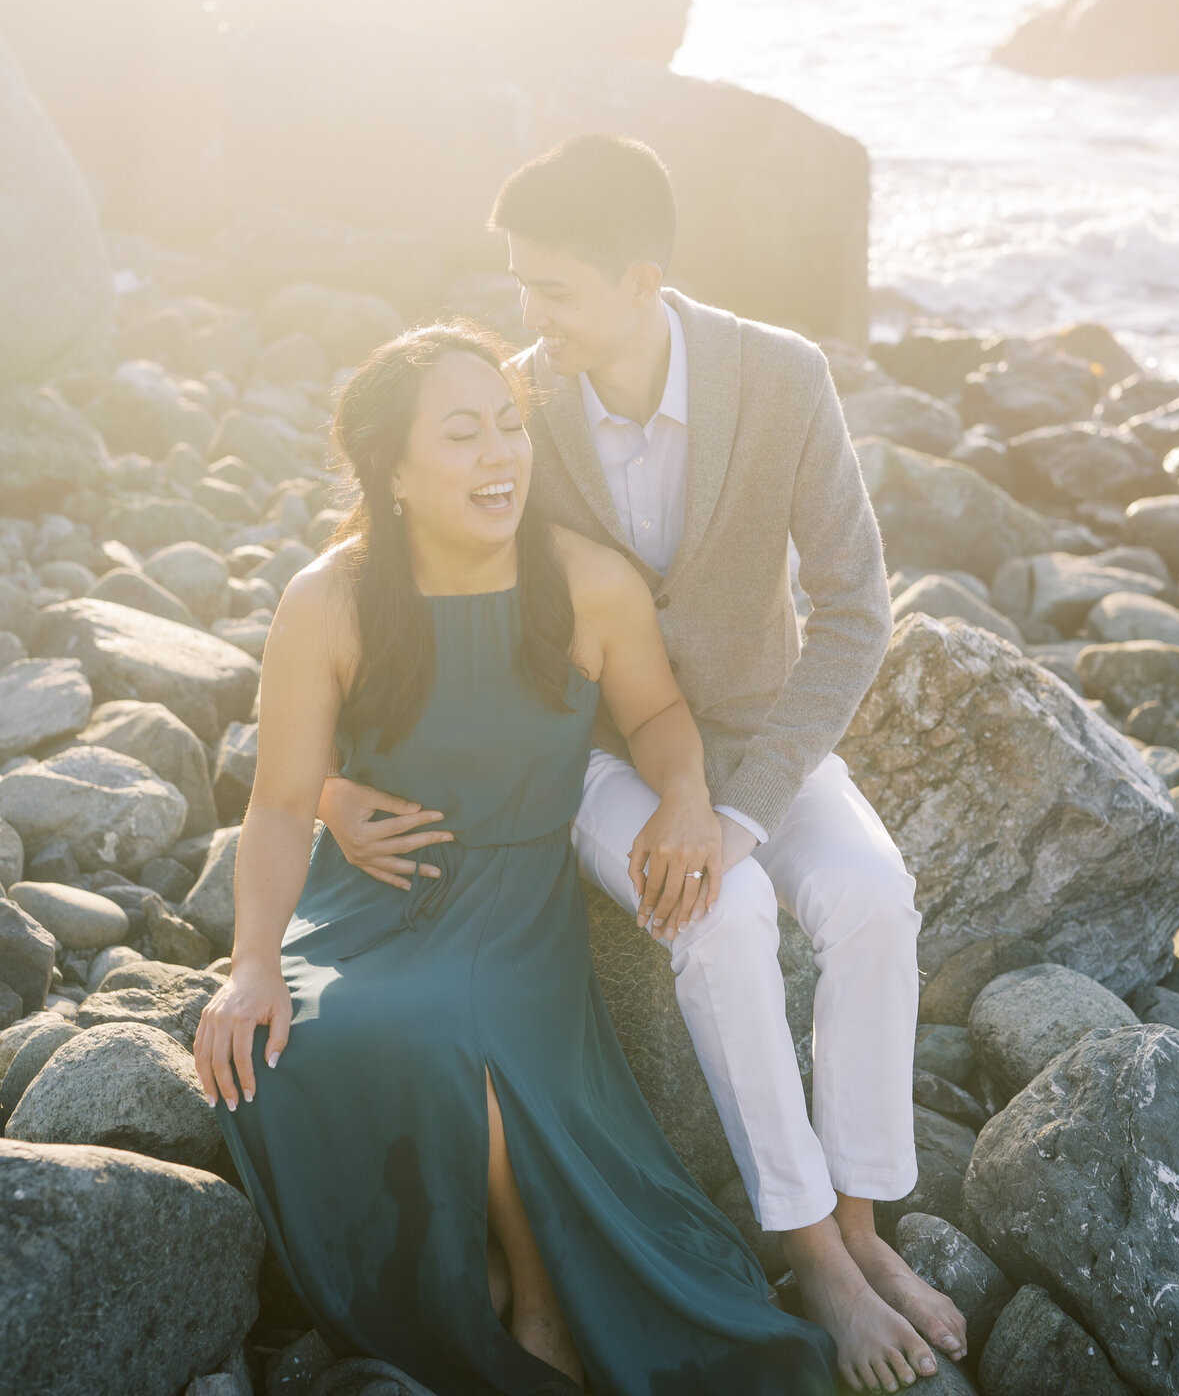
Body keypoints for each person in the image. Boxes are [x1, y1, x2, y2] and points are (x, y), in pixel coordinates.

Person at [318, 135, 969, 1395]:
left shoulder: (781, 377)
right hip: (598, 754)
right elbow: (394, 565)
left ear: (640, 280)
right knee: (718, 916)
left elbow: (855, 609)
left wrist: (742, 803)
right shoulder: (520, 406)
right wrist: (338, 769)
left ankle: (865, 1224)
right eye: (519, 284)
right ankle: (811, 1256)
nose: (528, 316)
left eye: (551, 287)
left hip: (766, 742)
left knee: (877, 902)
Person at [194, 319, 840, 1396]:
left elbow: (660, 716)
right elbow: (278, 805)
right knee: (307, 1042)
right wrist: (253, 958)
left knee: (457, 1035)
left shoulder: (587, 581)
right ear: (394, 472)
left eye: (509, 426)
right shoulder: (331, 598)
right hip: (370, 906)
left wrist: (684, 796)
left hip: (514, 907)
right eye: (462, 435)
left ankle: (536, 1303)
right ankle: (470, 1276)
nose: (501, 456)